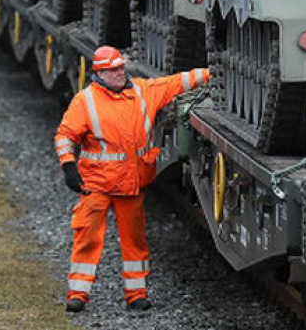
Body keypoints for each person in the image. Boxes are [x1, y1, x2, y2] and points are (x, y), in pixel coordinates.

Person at [54, 45, 211, 312]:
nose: (119, 72)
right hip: (96, 185)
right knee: (87, 238)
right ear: (99, 73)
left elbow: (176, 83)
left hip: (131, 184)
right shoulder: (86, 100)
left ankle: (136, 294)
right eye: (113, 69)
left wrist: (211, 72)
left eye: (121, 67)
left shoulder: (143, 91)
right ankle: (77, 294)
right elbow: (65, 136)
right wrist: (68, 166)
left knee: (135, 241)